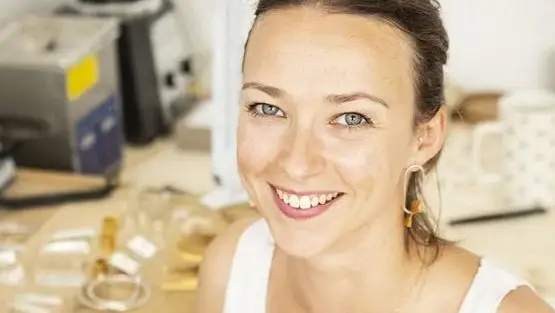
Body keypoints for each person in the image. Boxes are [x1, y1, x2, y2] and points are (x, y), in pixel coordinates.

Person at [195, 0, 555, 312]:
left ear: (425, 137)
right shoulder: (232, 267)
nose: (296, 163)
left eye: (352, 118)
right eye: (268, 108)